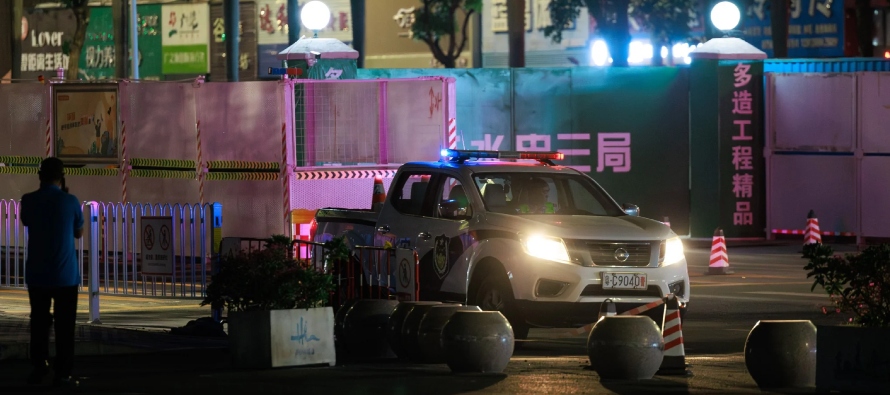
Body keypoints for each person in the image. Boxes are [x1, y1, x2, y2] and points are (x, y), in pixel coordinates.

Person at [21, 157, 84, 388]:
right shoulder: (70, 201)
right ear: (62, 176)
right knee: (65, 326)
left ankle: (39, 366)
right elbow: (79, 233)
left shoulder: (28, 201)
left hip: (37, 273)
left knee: (39, 322)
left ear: (40, 176)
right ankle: (63, 373)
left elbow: (27, 221)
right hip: (65, 275)